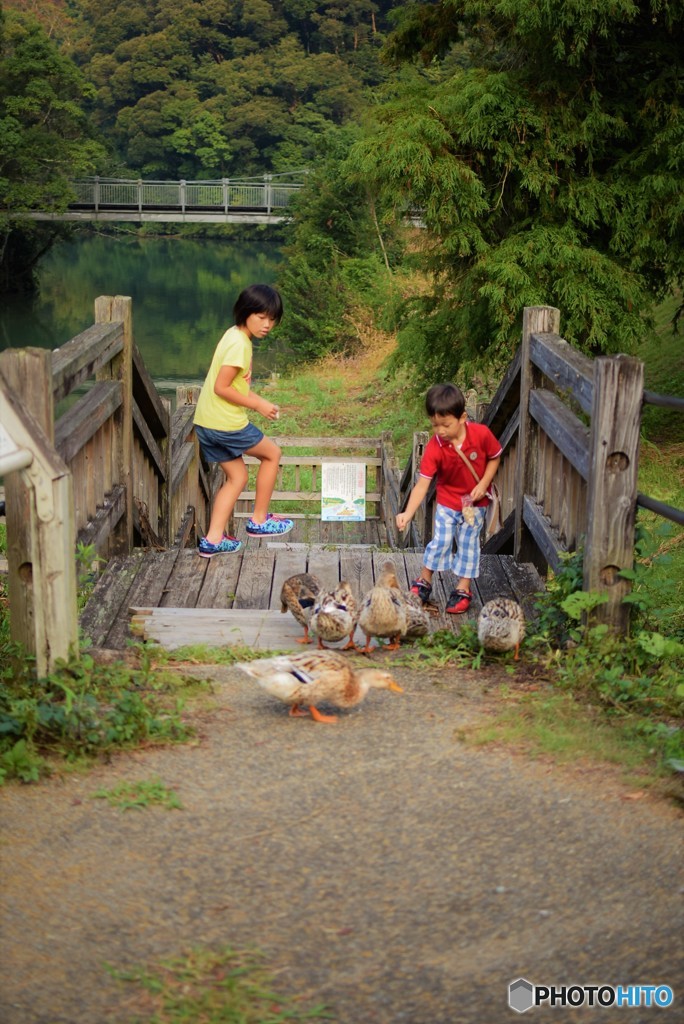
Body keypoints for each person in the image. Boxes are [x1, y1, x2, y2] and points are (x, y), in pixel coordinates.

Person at [193, 283, 294, 557]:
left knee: (237, 477)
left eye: (272, 319)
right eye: (262, 317)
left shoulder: (232, 335)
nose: (267, 325)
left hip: (206, 422)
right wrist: (259, 405)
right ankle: (259, 520)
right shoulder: (241, 345)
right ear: (246, 312)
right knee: (272, 454)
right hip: (225, 423)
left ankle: (213, 540)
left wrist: (259, 400)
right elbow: (222, 388)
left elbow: (234, 386)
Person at [396, 383, 501, 614]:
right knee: (441, 541)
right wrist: (408, 513)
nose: (440, 430)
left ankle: (463, 588)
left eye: (446, 424)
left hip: (474, 505)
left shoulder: (481, 434)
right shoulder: (435, 447)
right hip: (446, 502)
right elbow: (422, 484)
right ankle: (425, 580)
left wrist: (483, 484)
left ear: (462, 417)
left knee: (468, 542)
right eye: (435, 425)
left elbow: (495, 457)